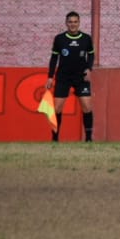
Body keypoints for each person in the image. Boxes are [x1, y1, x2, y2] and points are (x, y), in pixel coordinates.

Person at [47, 11, 96, 143]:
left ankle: (89, 139)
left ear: (79, 23)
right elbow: (54, 58)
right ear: (66, 23)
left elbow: (91, 55)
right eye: (70, 22)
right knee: (57, 108)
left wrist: (88, 68)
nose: (73, 24)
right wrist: (50, 76)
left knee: (87, 107)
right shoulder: (59, 39)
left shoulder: (86, 38)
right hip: (63, 77)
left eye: (75, 22)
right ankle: (55, 139)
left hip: (81, 77)